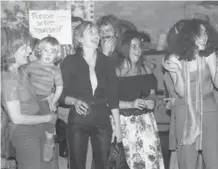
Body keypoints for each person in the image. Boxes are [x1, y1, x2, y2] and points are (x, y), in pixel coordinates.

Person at [163, 19, 218, 169]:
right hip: (184, 110)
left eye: (206, 33)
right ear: (190, 36)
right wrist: (177, 73)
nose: (205, 37)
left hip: (208, 108)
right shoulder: (174, 58)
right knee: (187, 160)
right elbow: (180, 92)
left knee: (214, 158)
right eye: (200, 34)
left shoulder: (209, 54)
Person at [59, 21, 122, 169]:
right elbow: (61, 94)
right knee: (76, 164)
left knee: (103, 164)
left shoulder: (107, 62)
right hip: (78, 119)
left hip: (102, 119)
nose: (96, 36)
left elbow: (113, 97)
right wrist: (74, 101)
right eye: (91, 32)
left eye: (97, 32)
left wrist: (118, 128)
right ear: (80, 39)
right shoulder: (70, 61)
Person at [1, 28, 56, 169]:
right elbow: (17, 118)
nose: (30, 51)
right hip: (24, 133)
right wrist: (48, 118)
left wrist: (47, 97)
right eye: (24, 47)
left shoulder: (22, 72)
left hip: (36, 127)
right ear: (10, 50)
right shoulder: (9, 79)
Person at [115, 30, 165, 169]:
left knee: (149, 162)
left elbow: (152, 94)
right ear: (124, 48)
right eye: (134, 46)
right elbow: (108, 101)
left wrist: (151, 101)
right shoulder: (115, 72)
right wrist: (131, 104)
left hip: (145, 123)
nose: (138, 50)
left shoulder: (145, 70)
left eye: (139, 46)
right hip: (123, 123)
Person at [25, 36, 63, 162]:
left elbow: (59, 87)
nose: (49, 54)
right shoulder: (31, 65)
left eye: (53, 52)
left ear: (57, 54)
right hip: (30, 98)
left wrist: (53, 101)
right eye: (46, 50)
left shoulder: (55, 70)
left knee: (50, 120)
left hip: (44, 99)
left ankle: (49, 142)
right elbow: (23, 79)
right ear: (40, 50)